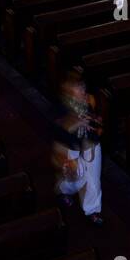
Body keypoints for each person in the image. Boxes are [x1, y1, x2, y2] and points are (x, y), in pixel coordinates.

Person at [51, 79, 104, 227]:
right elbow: (59, 131)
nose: (83, 91)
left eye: (83, 87)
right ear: (70, 93)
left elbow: (98, 125)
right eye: (79, 89)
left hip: (90, 144)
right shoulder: (61, 107)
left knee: (93, 178)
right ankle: (63, 190)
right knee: (76, 177)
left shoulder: (89, 102)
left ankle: (92, 210)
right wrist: (76, 124)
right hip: (68, 147)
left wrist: (95, 124)